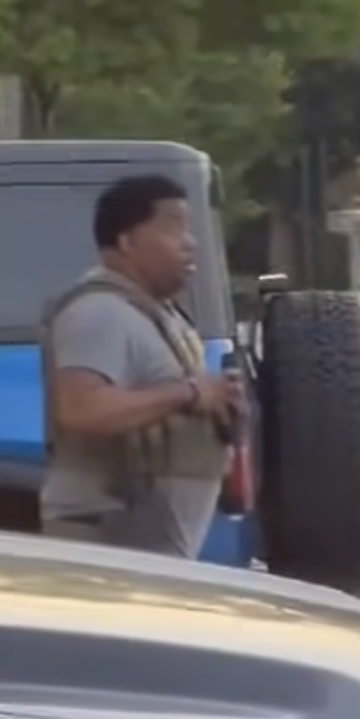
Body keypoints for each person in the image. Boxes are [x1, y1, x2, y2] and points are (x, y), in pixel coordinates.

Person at [40, 174, 244, 557]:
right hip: (112, 534)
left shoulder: (157, 313)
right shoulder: (99, 312)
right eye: (173, 228)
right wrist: (190, 393)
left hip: (147, 535)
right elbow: (83, 410)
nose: (190, 243)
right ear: (127, 241)